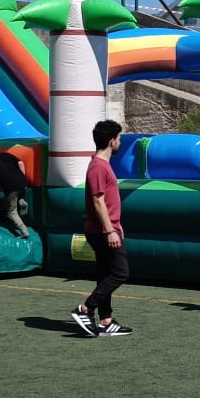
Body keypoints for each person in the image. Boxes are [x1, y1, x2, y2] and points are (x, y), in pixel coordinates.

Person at [71, 120, 132, 337]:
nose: (121, 142)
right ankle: (85, 309)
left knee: (106, 273)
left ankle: (106, 320)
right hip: (101, 231)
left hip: (108, 228)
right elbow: (98, 201)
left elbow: (107, 201)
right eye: (119, 138)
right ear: (111, 141)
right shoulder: (98, 166)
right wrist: (110, 230)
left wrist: (116, 224)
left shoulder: (103, 165)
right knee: (120, 272)